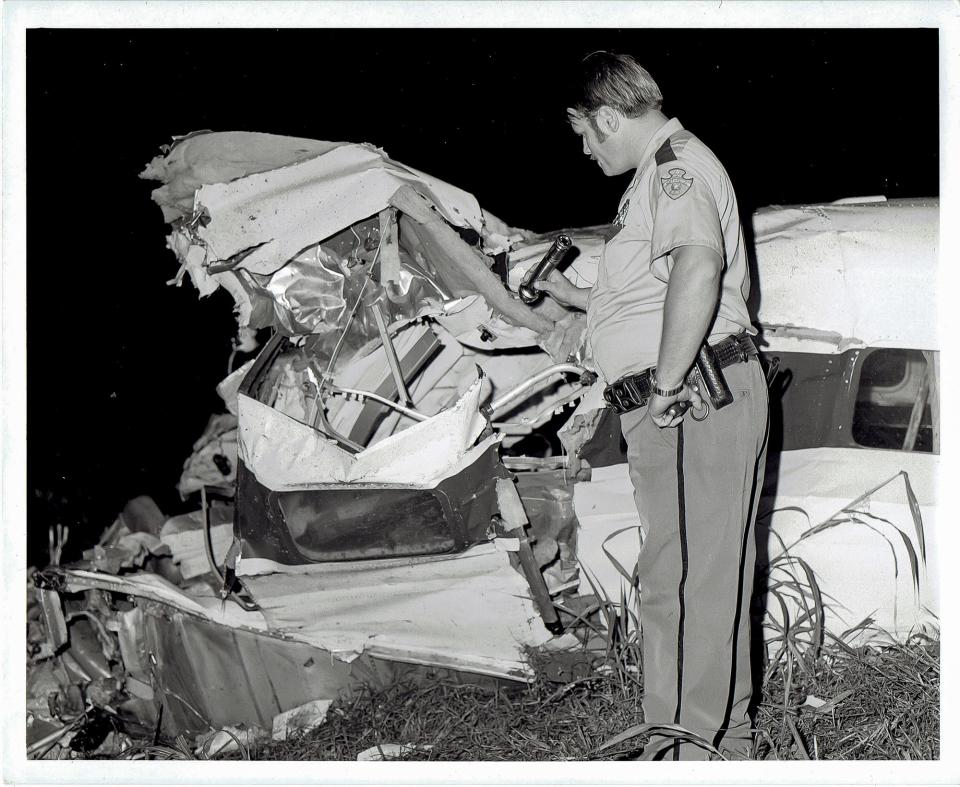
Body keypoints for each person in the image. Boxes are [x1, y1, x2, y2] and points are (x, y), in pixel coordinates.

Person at [535, 52, 769, 761]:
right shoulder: (652, 181)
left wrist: (666, 384)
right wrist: (578, 302)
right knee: (677, 581)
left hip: (694, 395)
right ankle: (696, 746)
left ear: (607, 116)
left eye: (583, 131)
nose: (584, 147)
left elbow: (698, 268)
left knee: (693, 582)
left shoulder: (677, 166)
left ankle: (691, 753)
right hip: (675, 399)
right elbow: (650, 290)